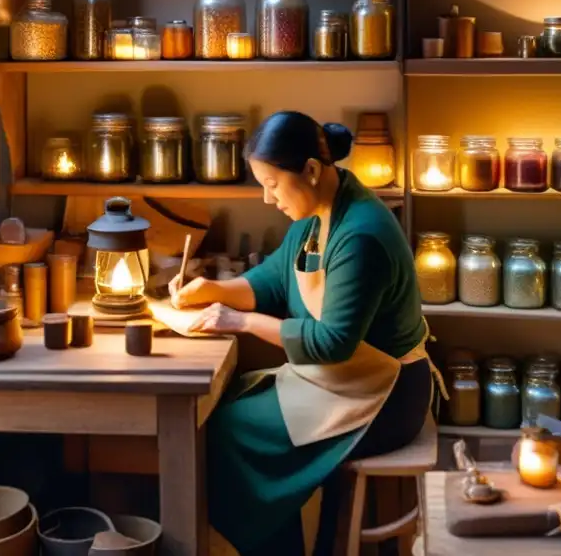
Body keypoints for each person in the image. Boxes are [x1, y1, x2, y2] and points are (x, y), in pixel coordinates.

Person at [169, 110, 438, 556]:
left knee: (228, 432)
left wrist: (239, 321)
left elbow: (331, 344)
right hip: (343, 381)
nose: (267, 198)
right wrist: (211, 289)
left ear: (311, 170)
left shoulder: (360, 236)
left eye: (272, 184)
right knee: (228, 405)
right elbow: (273, 280)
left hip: (385, 394)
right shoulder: (315, 218)